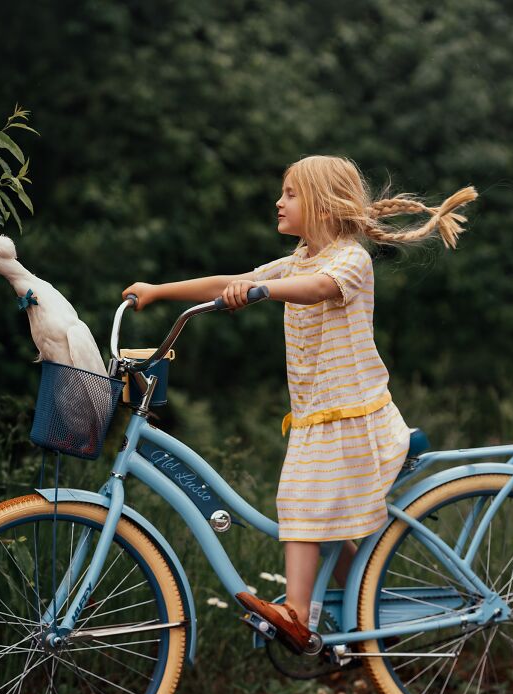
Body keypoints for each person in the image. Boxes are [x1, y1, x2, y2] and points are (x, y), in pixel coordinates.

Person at [121, 155, 477, 655]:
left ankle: (296, 615)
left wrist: (263, 290)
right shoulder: (297, 258)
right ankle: (370, 608)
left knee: (299, 503)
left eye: (290, 193)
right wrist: (160, 292)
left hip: (353, 418)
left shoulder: (349, 259)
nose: (278, 201)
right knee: (326, 524)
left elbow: (316, 290)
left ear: (323, 205)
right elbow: (229, 281)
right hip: (318, 419)